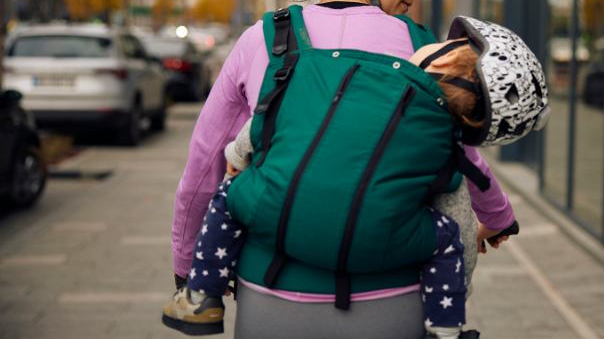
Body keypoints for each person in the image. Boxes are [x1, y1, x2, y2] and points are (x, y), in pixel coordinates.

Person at [169, 0, 544, 339]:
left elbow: (205, 159)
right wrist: (500, 216)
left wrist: (188, 267)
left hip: (269, 292)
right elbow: (461, 157)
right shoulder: (424, 51)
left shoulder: (264, 39)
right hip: (391, 298)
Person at [163, 32, 528, 338]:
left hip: (281, 223)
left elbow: (256, 131)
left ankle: (202, 295)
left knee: (229, 196)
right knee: (449, 237)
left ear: (445, 63)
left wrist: (239, 162)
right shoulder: (443, 133)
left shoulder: (331, 78)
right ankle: (446, 329)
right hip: (378, 243)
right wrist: (467, 269)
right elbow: (460, 220)